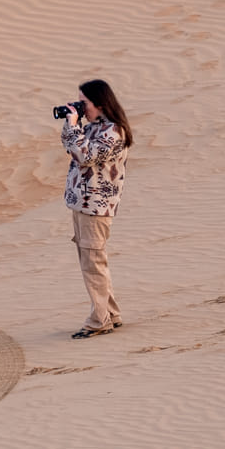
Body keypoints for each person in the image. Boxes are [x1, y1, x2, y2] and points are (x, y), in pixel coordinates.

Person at [58, 78, 133, 338]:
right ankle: (111, 314)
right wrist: (72, 123)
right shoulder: (94, 128)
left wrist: (74, 127)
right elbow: (71, 147)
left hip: (96, 208)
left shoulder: (114, 132)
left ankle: (99, 321)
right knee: (93, 262)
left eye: (84, 102)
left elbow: (85, 156)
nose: (81, 107)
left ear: (100, 103)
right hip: (82, 203)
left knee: (93, 265)